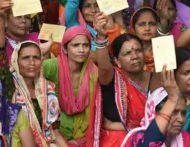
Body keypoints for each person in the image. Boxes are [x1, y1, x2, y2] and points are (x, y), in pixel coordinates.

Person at [88, 10, 167, 146]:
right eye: (128, 53)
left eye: (138, 51)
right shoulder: (112, 77)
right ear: (117, 61)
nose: (135, 56)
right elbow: (104, 67)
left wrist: (119, 125)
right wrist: (101, 37)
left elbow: (160, 115)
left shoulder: (155, 77)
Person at [43, 26, 98, 144]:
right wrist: (42, 52)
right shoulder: (52, 66)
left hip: (84, 130)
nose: (81, 50)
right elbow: (24, 71)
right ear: (65, 49)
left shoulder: (93, 71)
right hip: (55, 128)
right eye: (75, 45)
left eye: (85, 45)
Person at [10, 41, 67, 146]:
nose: (32, 62)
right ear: (16, 61)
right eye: (26, 58)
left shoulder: (47, 89)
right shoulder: (9, 89)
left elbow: (54, 131)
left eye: (36, 57)